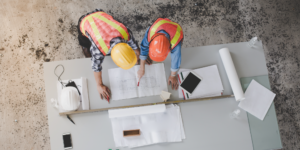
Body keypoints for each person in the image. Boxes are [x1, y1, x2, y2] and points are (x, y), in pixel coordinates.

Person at [77, 9, 150, 101]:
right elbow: (96, 67)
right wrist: (99, 85)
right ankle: (84, 46)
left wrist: (140, 54)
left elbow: (133, 43)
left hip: (100, 14)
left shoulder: (125, 32)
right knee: (85, 41)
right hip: (85, 21)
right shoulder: (99, 49)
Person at [137, 18, 184, 90]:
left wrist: (173, 75)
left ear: (170, 48)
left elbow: (176, 59)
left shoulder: (176, 41)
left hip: (174, 29)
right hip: (161, 25)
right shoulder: (151, 32)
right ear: (151, 42)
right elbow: (144, 47)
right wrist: (141, 67)